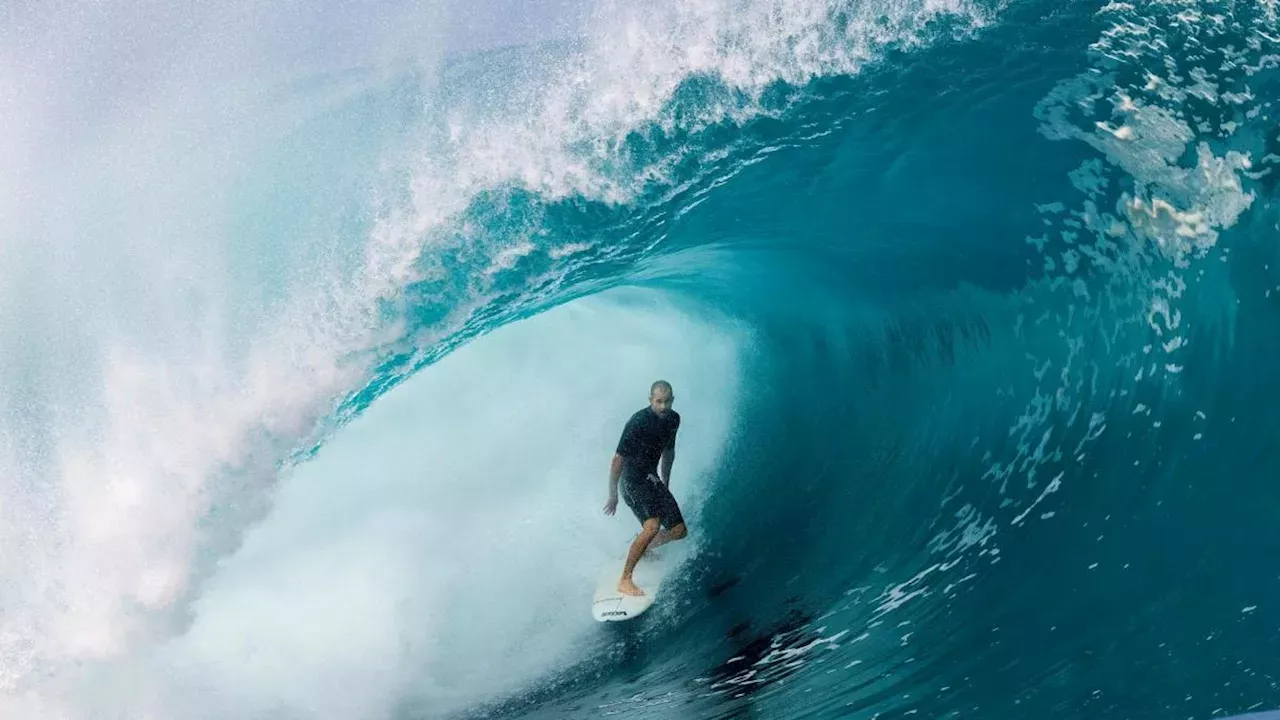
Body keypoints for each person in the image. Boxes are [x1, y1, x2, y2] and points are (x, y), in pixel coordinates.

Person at [603, 380, 688, 596]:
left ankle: (643, 548)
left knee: (679, 531)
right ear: (650, 400)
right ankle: (625, 579)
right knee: (652, 527)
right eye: (658, 401)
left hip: (651, 478)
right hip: (631, 480)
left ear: (672, 400)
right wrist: (613, 495)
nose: (663, 407)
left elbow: (669, 452)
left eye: (667, 401)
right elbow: (617, 461)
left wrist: (665, 485)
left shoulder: (673, 420)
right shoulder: (638, 422)